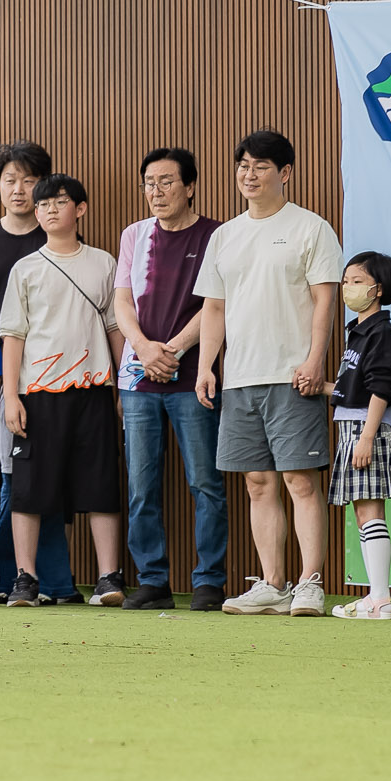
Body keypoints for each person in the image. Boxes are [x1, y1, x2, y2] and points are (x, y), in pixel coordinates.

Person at [196, 130, 343, 618]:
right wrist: (206, 367)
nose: (249, 174)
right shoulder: (225, 235)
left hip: (291, 374)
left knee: (300, 480)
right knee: (258, 482)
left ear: (285, 173)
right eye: (242, 165)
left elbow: (326, 299)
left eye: (260, 166)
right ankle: (273, 583)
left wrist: (315, 359)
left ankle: (310, 583)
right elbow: (214, 308)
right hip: (239, 377)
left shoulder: (311, 228)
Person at [0, 174, 128, 607]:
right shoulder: (26, 268)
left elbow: (114, 328)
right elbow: (13, 335)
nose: (50, 209)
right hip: (37, 392)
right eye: (43, 205)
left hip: (94, 390)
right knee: (29, 487)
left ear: (81, 209)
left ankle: (109, 578)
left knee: (101, 483)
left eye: (60, 201)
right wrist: (12, 396)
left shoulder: (104, 263)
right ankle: (25, 579)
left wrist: (124, 389)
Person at [111, 147, 227, 611]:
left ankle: (208, 582)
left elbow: (218, 304)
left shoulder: (218, 235)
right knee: (142, 485)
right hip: (138, 379)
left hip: (193, 378)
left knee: (206, 484)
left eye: (166, 181)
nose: (155, 192)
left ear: (190, 186)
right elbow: (122, 302)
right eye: (148, 183)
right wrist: (143, 347)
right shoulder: (134, 235)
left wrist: (174, 349)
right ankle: (153, 580)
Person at [0, 142, 77, 604]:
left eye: (29, 181)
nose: (18, 189)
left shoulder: (54, 239)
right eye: (9, 180)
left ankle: (38, 580)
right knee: (10, 482)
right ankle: (10, 577)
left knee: (39, 481)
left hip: (51, 377)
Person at [328, 252, 391, 620]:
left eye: (357, 281)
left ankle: (380, 597)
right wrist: (322, 387)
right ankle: (375, 595)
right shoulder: (359, 333)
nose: (348, 288)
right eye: (346, 281)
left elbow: (381, 387)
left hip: (368, 430)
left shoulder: (381, 333)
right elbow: (356, 388)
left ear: (378, 289)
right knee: (364, 512)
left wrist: (366, 437)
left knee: (370, 508)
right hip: (357, 427)